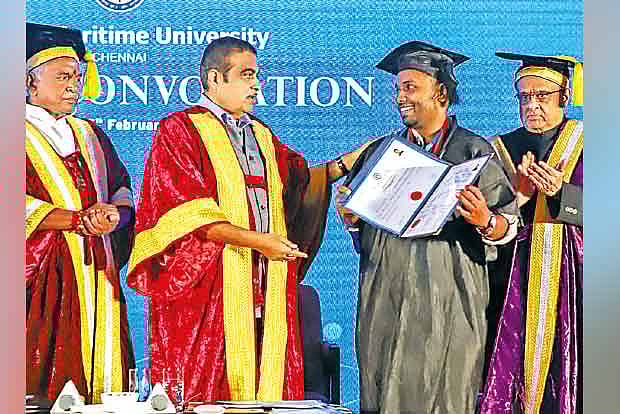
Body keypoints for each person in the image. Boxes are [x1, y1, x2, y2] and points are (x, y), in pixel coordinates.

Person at [126, 37, 366, 402]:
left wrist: (349, 162)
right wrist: (259, 242)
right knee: (207, 391)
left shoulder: (260, 133)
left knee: (264, 388)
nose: (256, 85)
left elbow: (300, 182)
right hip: (209, 291)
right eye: (246, 75)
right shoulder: (180, 130)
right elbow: (187, 213)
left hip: (265, 287)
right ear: (215, 78)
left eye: (256, 75)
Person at [336, 41, 520, 413]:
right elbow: (364, 233)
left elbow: (509, 226)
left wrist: (485, 220)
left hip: (448, 299)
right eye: (398, 89)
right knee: (384, 390)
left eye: (410, 88)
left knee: (445, 394)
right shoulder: (381, 154)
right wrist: (352, 221)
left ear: (441, 94)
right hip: (385, 300)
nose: (400, 97)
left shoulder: (473, 152)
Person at [25, 23, 135, 403]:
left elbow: (121, 186)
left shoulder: (90, 133)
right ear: (30, 82)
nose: (73, 85)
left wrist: (115, 215)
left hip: (98, 273)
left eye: (76, 76)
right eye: (62, 77)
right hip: (43, 280)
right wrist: (76, 220)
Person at [481, 53, 583, 414]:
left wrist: (562, 195)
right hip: (510, 282)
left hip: (573, 286)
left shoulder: (592, 143)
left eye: (542, 96)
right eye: (525, 97)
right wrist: (518, 197)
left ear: (564, 96)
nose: (532, 105)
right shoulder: (498, 149)